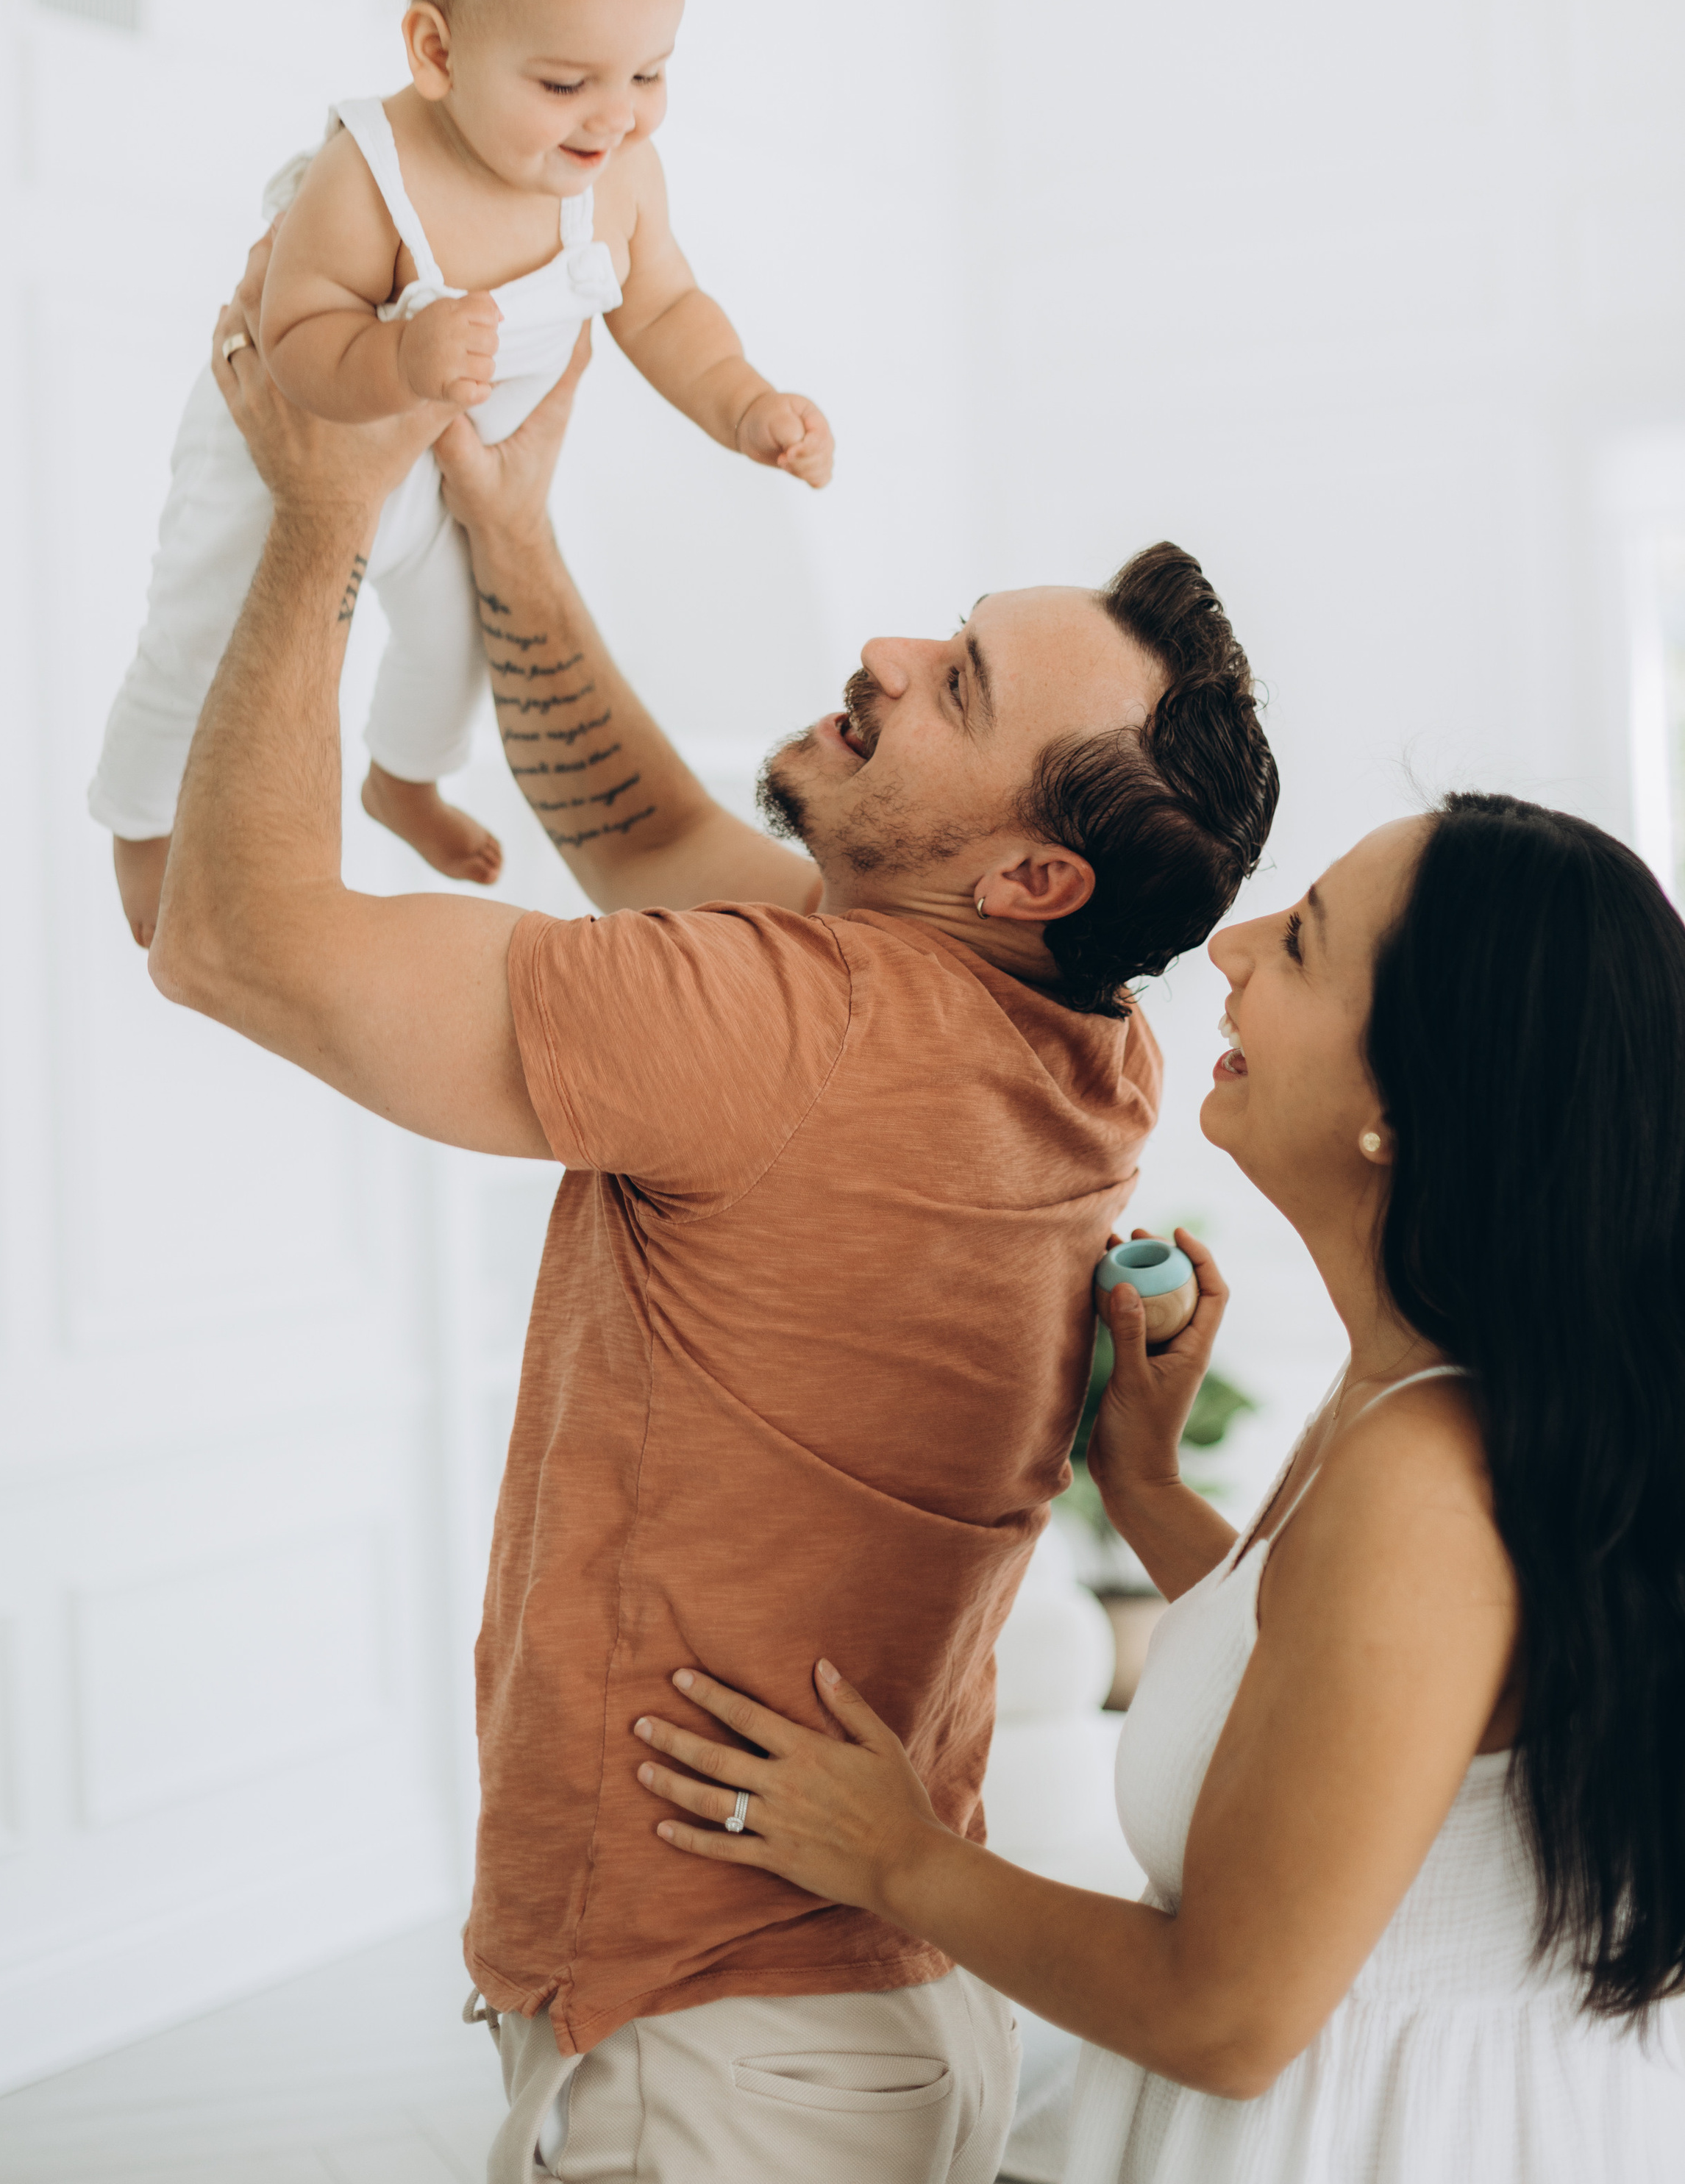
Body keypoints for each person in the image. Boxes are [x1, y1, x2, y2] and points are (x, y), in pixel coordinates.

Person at [145, 248, 1278, 2184]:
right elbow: (652, 844)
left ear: (1026, 878)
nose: (891, 653)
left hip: (718, 2070)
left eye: (959, 684)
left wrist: (323, 512)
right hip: (874, 2020)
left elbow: (229, 942)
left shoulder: (796, 1028)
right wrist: (505, 525)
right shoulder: (1080, 1050)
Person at [624, 796, 1685, 2182]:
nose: (1232, 946)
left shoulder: (1427, 1475)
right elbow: (1356, 1699)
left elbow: (1224, 2017)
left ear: (1405, 1101)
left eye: (1300, 943)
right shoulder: (1416, 1399)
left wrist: (894, 1856)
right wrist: (1145, 1485)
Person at [90, 0, 832, 940]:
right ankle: (141, 827)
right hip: (283, 457)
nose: (618, 116)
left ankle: (403, 779)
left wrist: (745, 404)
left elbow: (666, 307)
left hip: (439, 475)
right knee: (198, 636)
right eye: (567, 82)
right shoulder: (372, 173)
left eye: (649, 73)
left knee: (459, 647)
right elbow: (290, 329)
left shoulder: (620, 174)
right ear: (436, 53)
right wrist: (397, 356)